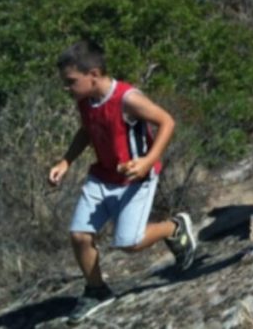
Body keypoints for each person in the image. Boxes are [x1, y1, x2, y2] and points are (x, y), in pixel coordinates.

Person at [48, 40, 197, 324]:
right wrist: (65, 161)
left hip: (134, 178)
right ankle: (96, 290)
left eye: (71, 82)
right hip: (102, 175)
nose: (67, 88)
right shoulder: (86, 100)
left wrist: (147, 161)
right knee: (79, 236)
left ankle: (174, 227)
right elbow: (86, 131)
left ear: (93, 74)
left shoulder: (127, 99)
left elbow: (167, 122)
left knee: (129, 243)